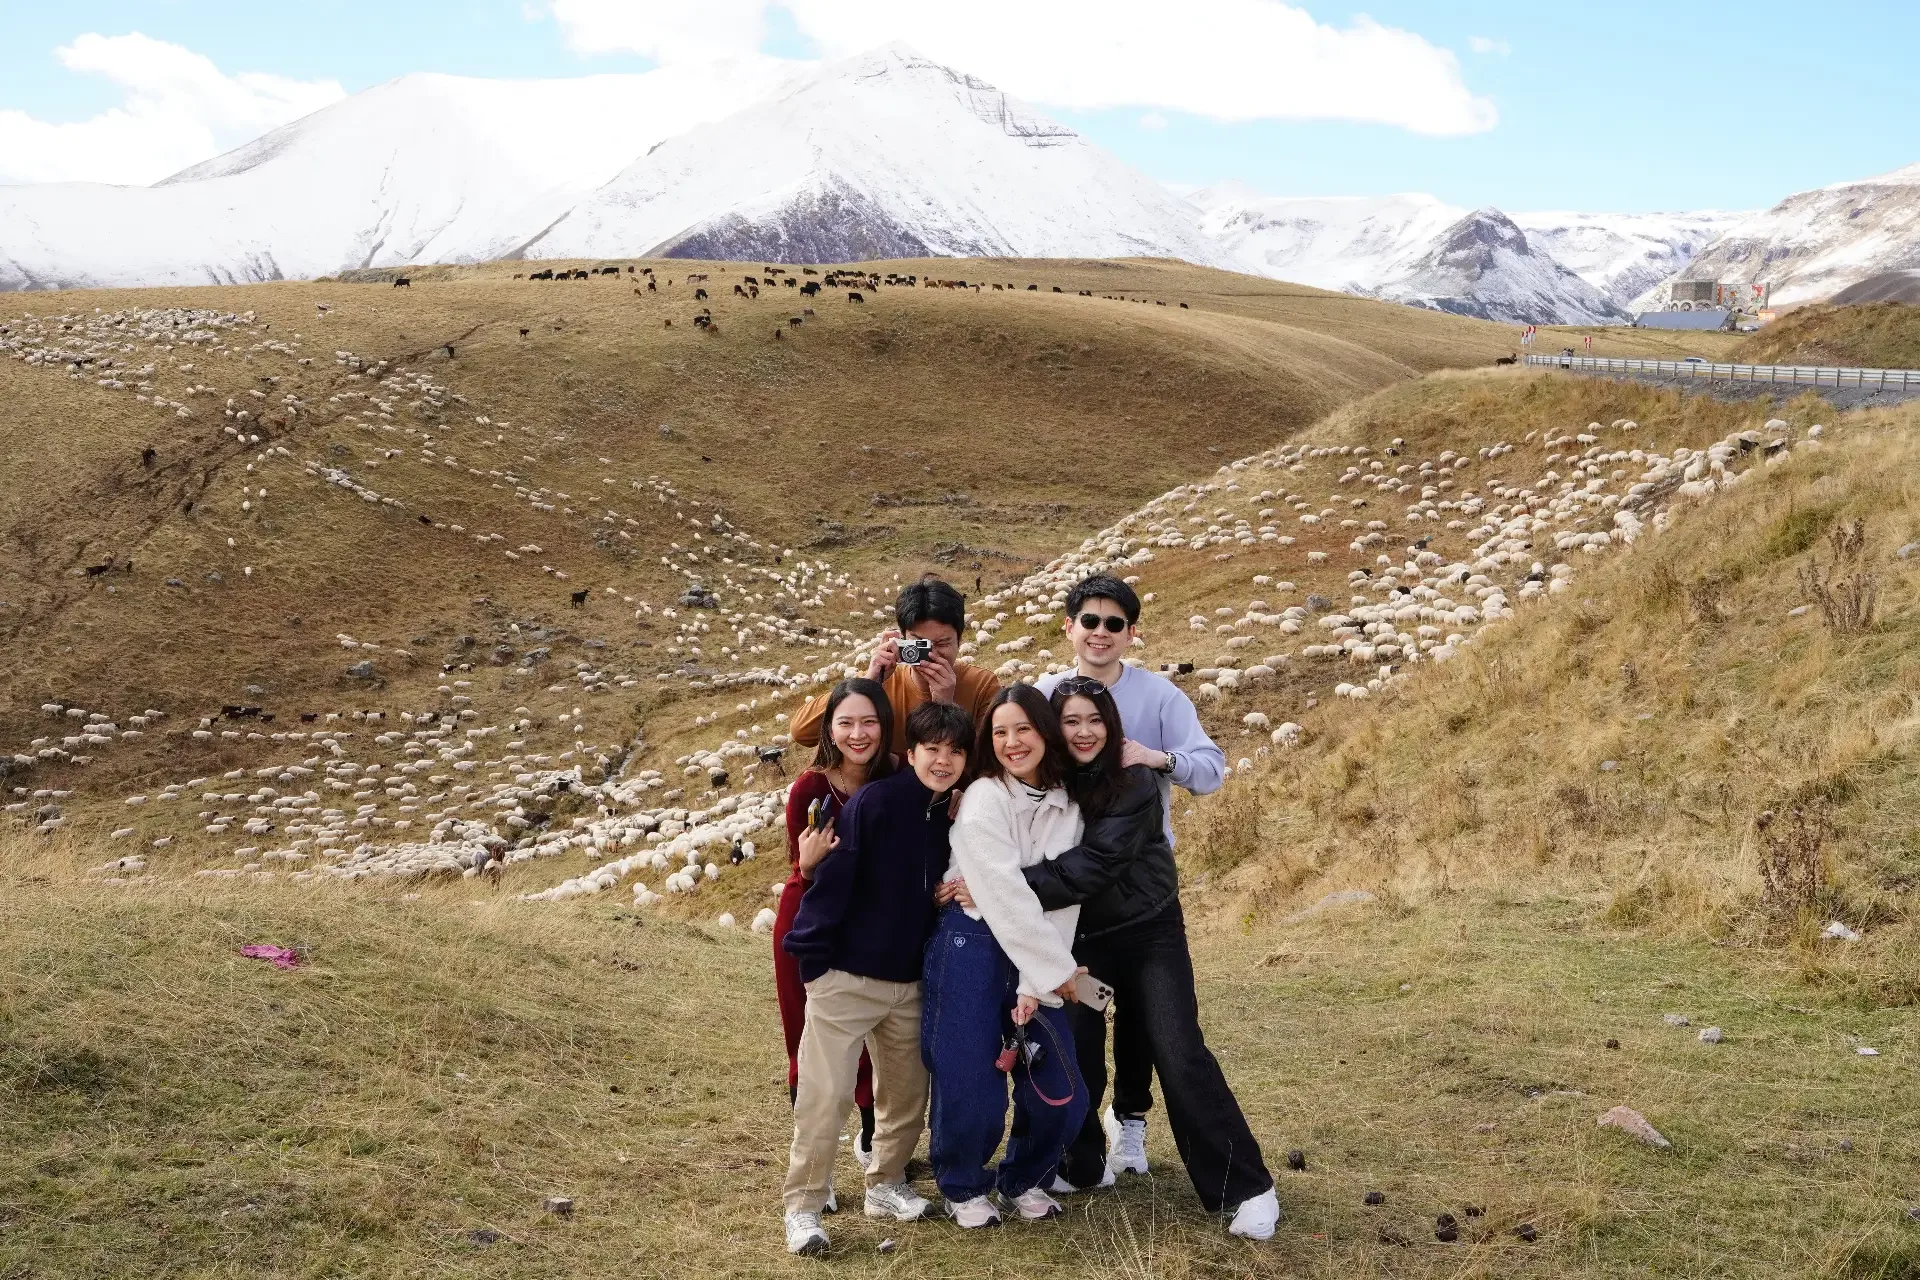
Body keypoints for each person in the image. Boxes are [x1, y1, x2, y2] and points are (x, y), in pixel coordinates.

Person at [1027, 677, 1279, 1239]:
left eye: (1095, 720)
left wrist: (1004, 885)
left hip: (1148, 935)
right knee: (1076, 1053)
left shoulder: (1134, 781)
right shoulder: (1045, 784)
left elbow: (1095, 865)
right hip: (1084, 945)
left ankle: (1246, 1186)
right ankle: (1082, 1163)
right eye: (1071, 721)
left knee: (1177, 1048)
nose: (1084, 732)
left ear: (1112, 724)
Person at [1034, 573, 1226, 1180]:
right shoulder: (1046, 696)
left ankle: (1133, 1123)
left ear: (1130, 633)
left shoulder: (1161, 697)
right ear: (1069, 628)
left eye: (1113, 623)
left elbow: (1210, 769)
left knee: (1147, 1018)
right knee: (1082, 1018)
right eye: (1088, 621)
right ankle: (1077, 1147)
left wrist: (1155, 757)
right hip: (1073, 896)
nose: (1100, 633)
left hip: (1141, 890)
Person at [778, 702, 971, 1256]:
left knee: (907, 1095)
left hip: (909, 982)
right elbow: (832, 880)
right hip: (846, 977)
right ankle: (805, 1208)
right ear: (909, 754)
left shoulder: (949, 814)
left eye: (954, 751)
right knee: (827, 1093)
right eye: (931, 749)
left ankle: (885, 1184)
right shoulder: (876, 803)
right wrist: (814, 963)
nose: (942, 760)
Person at [923, 686, 1089, 1228]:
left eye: (1024, 729)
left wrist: (1036, 983)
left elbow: (1063, 896)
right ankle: (963, 1181)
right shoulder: (982, 797)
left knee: (1062, 1086)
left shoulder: (1069, 804)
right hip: (970, 939)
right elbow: (1000, 888)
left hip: (1039, 951)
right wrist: (1055, 970)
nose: (1013, 742)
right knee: (969, 1073)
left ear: (1044, 732)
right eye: (1000, 732)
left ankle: (1026, 1177)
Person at [773, 678, 893, 1189]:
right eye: (846, 723)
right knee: (808, 1044)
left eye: (869, 722)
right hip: (812, 924)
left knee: (875, 1045)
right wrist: (810, 861)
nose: (858, 733)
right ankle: (812, 1174)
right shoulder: (809, 787)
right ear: (830, 729)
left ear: (885, 726)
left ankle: (873, 1143)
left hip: (873, 927)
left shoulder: (897, 780)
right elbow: (801, 869)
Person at [791, 576, 999, 748]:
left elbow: (987, 762)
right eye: (920, 644)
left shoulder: (982, 686)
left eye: (943, 643)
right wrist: (867, 683)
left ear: (959, 640)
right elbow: (802, 733)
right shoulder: (882, 683)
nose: (931, 653)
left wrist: (945, 708)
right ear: (902, 639)